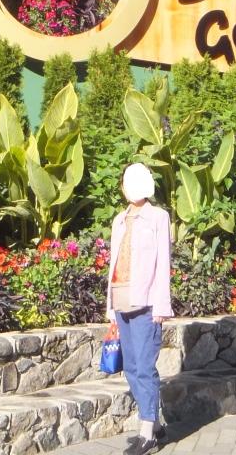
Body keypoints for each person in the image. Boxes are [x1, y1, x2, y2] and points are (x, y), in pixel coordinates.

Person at [106, 162, 173, 455]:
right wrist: (110, 307)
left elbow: (163, 263)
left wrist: (161, 305)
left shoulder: (158, 217)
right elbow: (114, 263)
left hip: (146, 304)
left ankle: (147, 432)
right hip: (121, 299)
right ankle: (154, 424)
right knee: (131, 368)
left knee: (145, 367)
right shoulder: (119, 220)